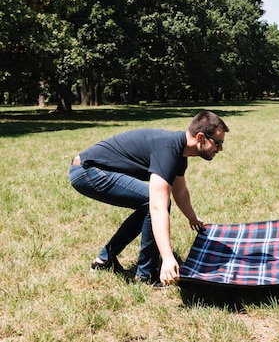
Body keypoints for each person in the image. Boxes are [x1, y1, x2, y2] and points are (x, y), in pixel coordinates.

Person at [69, 110, 229, 286]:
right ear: (200, 137)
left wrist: (192, 217)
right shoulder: (168, 151)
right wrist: (168, 258)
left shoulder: (179, 152)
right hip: (87, 171)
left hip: (88, 170)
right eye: (218, 143)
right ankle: (146, 276)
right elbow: (158, 207)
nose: (220, 149)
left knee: (147, 203)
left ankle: (104, 260)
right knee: (152, 201)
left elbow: (180, 192)